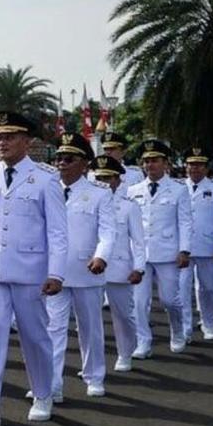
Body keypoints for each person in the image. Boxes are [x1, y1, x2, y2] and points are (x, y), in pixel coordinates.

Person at [0, 111, 67, 426]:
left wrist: (56, 273)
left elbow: (58, 232)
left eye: (9, 137)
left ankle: (42, 394)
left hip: (31, 270)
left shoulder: (46, 178)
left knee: (34, 335)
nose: (2, 142)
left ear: (27, 141)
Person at [44, 133, 115, 401]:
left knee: (90, 328)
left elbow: (108, 232)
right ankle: (52, 384)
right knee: (52, 329)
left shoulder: (99, 193)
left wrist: (102, 256)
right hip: (54, 272)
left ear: (84, 164)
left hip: (87, 269)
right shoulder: (48, 189)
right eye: (59, 158)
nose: (61, 163)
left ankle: (94, 376)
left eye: (68, 158)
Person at [127, 139, 192, 357]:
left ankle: (177, 331)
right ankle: (143, 341)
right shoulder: (133, 190)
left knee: (169, 300)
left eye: (154, 160)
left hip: (167, 252)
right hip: (140, 255)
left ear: (165, 163)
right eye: (146, 161)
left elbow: (184, 222)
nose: (149, 165)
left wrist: (184, 250)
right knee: (138, 302)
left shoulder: (178, 189)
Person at [90, 156, 146, 371]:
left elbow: (139, 241)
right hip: (90, 267)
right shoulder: (87, 200)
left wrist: (139, 267)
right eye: (99, 177)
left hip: (119, 267)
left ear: (118, 180)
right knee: (90, 319)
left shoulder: (128, 207)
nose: (103, 182)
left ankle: (125, 352)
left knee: (122, 315)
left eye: (108, 178)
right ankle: (94, 362)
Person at [178, 147, 213, 342]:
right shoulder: (177, 187)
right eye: (192, 164)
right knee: (182, 288)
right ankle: (185, 327)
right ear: (186, 167)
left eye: (199, 165)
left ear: (206, 168)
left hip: (209, 246)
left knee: (208, 288)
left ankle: (208, 322)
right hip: (183, 247)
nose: (195, 169)